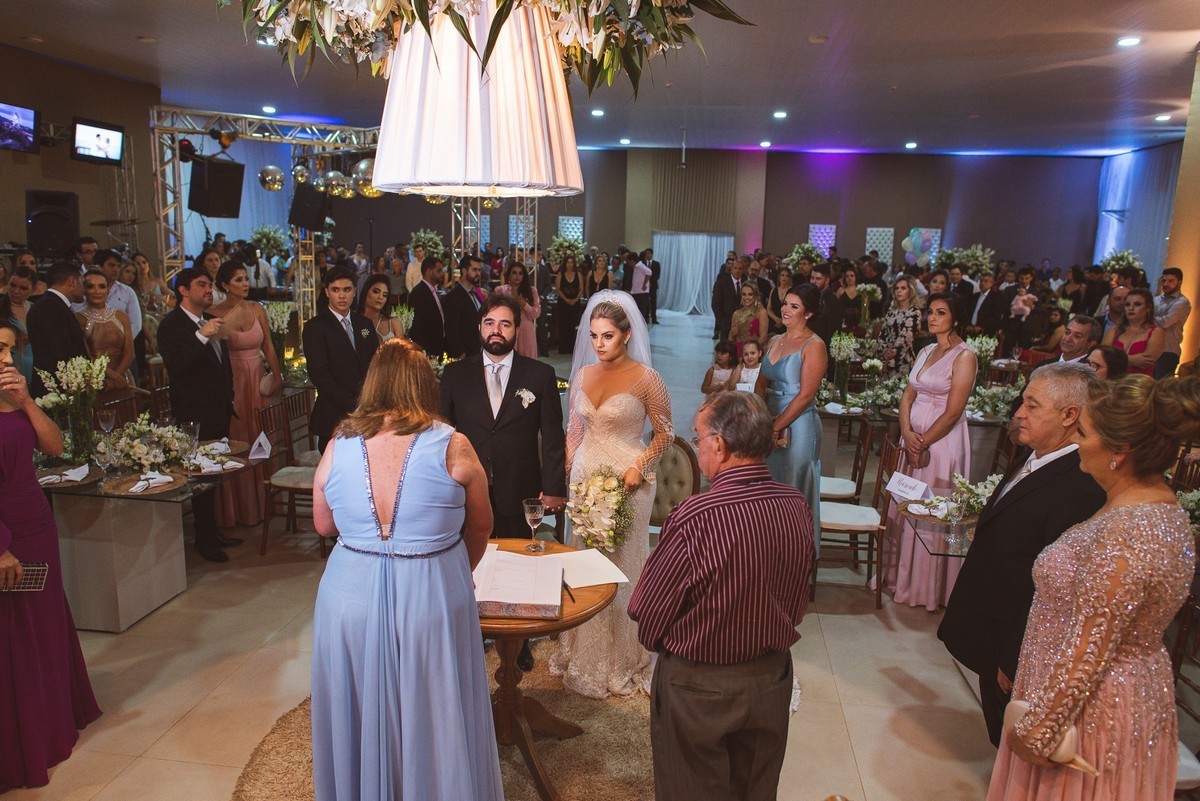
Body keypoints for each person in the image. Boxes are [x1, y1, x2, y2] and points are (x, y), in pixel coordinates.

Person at [987, 374, 1200, 801]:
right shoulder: (1141, 506)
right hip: (1081, 696)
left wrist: (1041, 730)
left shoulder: (1131, 531)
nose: (1078, 444)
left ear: (1120, 450)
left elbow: (1091, 649)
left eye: (1084, 433)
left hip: (1092, 710)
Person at [310, 339, 503, 801]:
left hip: (348, 597)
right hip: (429, 593)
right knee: (433, 710)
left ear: (372, 382)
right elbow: (481, 527)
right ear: (426, 385)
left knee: (356, 708)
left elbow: (323, 524)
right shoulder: (453, 445)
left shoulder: (339, 443)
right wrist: (457, 569)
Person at [628, 390, 814, 801]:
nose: (698, 449)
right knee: (755, 791)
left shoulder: (697, 515)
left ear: (720, 444)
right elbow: (801, 595)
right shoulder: (795, 504)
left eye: (698, 439)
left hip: (700, 688)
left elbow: (646, 610)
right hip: (772, 680)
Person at [939, 363, 1105, 746]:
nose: (1018, 413)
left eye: (1032, 405)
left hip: (1016, 643)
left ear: (1069, 416)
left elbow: (1057, 586)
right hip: (992, 625)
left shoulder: (1079, 483)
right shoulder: (1037, 454)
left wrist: (1014, 655)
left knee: (1014, 739)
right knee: (1000, 732)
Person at [550, 291, 673, 698]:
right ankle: (581, 651)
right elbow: (573, 430)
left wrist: (641, 466)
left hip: (628, 481)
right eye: (594, 336)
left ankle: (622, 657)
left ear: (626, 334)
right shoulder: (582, 375)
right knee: (584, 561)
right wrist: (571, 470)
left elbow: (665, 433)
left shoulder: (647, 379)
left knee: (622, 567)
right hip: (585, 481)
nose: (599, 344)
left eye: (607, 336)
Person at [0, 323, 102, 792]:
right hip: (5, 534)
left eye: (9, 348)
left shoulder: (14, 397)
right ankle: (24, 742)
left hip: (37, 524)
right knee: (14, 637)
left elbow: (55, 446)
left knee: (43, 624)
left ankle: (53, 720)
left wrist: (25, 401)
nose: (6, 356)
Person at [886, 292, 977, 610]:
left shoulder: (964, 356)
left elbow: (954, 411)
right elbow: (908, 396)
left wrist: (923, 440)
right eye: (931, 312)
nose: (932, 317)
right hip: (912, 439)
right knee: (909, 505)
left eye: (941, 312)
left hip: (941, 444)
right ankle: (901, 576)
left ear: (956, 317)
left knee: (930, 509)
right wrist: (908, 432)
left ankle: (928, 587)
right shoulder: (925, 350)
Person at [157, 268, 241, 562]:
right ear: (183, 290)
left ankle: (212, 531)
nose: (208, 290)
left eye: (209, 285)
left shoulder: (209, 320)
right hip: (194, 413)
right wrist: (200, 336)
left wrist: (228, 395)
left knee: (215, 475)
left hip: (218, 409)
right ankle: (204, 541)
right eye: (201, 285)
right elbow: (177, 365)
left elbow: (223, 365)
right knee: (201, 477)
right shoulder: (171, 326)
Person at [210, 261, 282, 527]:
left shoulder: (257, 308)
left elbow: (269, 346)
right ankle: (237, 510)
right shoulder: (213, 313)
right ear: (225, 285)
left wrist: (277, 376)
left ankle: (265, 504)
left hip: (258, 380)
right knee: (236, 439)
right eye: (238, 280)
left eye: (245, 278)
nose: (245, 283)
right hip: (231, 382)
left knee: (260, 436)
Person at [761, 283, 827, 550]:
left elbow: (805, 396)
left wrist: (777, 425)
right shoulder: (775, 340)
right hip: (769, 422)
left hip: (799, 427)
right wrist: (762, 418)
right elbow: (761, 382)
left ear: (808, 314)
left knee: (793, 487)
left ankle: (796, 554)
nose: (785, 309)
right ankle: (768, 552)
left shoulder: (814, 345)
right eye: (785, 303)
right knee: (768, 487)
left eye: (794, 306)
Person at [303, 267, 380, 452]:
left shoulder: (364, 324)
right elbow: (319, 376)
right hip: (333, 415)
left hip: (367, 414)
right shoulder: (315, 327)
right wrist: (355, 404)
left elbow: (375, 365)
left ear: (354, 291)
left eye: (347, 290)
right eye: (336, 290)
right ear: (327, 292)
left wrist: (371, 400)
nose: (342, 296)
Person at [27, 262, 87, 398]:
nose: (85, 289)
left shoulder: (53, 305)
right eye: (82, 283)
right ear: (72, 282)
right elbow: (62, 353)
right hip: (54, 392)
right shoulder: (49, 306)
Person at [76, 270, 136, 403]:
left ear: (108, 290)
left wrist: (118, 377)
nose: (97, 291)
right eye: (91, 287)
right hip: (95, 382)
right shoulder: (78, 319)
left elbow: (129, 352)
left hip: (123, 377)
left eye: (102, 286)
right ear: (84, 290)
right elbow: (86, 355)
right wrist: (109, 378)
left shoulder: (121, 316)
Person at [1102, 287, 1164, 377]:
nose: (1131, 308)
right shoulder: (1113, 331)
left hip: (1138, 385)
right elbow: (1102, 357)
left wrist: (1115, 359)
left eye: (1137, 304)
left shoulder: (1156, 332)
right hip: (1112, 381)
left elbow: (1145, 362)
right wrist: (1131, 360)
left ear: (1148, 308)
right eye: (1127, 304)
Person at [493, 262, 540, 360]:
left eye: (520, 273)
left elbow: (536, 314)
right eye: (514, 273)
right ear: (509, 274)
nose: (517, 276)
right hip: (506, 328)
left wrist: (524, 304)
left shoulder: (531, 291)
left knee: (527, 361)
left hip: (526, 329)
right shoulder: (500, 291)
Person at [878, 274, 922, 377]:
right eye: (897, 288)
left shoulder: (914, 311)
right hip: (885, 359)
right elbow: (883, 333)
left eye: (903, 288)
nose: (899, 291)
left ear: (910, 291)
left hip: (903, 361)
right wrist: (884, 351)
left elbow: (906, 338)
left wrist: (890, 355)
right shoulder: (892, 309)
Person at [442, 255, 486, 359]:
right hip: (465, 355)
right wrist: (460, 353)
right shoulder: (454, 297)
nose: (478, 274)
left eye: (479, 270)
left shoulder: (476, 294)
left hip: (479, 351)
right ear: (464, 271)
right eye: (474, 270)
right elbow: (451, 328)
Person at [1153, 266, 1191, 378]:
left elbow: (1165, 323)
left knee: (1161, 387)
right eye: (1164, 281)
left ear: (1179, 282)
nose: (1166, 284)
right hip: (1152, 348)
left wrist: (1148, 317)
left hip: (1168, 350)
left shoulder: (1182, 302)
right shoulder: (1156, 299)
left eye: (1170, 281)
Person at [406, 256, 447, 359]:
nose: (442, 274)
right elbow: (417, 327)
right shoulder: (418, 293)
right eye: (439, 270)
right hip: (428, 350)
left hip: (438, 347)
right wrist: (426, 351)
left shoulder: (433, 291)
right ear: (429, 272)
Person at [1, 266, 36, 384]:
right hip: (8, 365)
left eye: (23, 288)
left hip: (34, 367)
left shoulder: (36, 309)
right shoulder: (1, 308)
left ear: (33, 289)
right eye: (12, 285)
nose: (16, 291)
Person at [357, 274, 406, 345]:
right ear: (366, 291)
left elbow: (401, 354)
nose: (380, 297)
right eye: (376, 291)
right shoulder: (352, 322)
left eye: (385, 295)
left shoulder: (394, 323)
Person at [728, 282, 769, 357]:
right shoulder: (736, 314)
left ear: (756, 296)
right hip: (738, 354)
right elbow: (731, 339)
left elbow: (763, 338)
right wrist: (732, 333)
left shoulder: (761, 312)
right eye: (744, 294)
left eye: (750, 294)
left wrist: (748, 353)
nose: (746, 297)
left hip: (753, 356)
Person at [711, 256, 746, 343]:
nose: (737, 271)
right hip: (726, 324)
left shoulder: (746, 283)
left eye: (740, 269)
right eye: (735, 268)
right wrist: (722, 323)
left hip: (743, 324)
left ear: (743, 270)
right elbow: (715, 304)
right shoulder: (721, 283)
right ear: (731, 269)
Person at [556, 254, 584, 353]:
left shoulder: (578, 274)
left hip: (575, 302)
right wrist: (566, 300)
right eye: (568, 262)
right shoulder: (560, 274)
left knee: (573, 324)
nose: (570, 264)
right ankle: (563, 348)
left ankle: (572, 348)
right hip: (563, 302)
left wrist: (575, 299)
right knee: (563, 324)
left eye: (572, 262)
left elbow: (581, 289)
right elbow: (558, 289)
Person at [627, 252, 653, 322]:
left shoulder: (640, 266)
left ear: (632, 260)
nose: (628, 264)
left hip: (641, 293)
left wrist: (644, 284)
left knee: (641, 312)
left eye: (629, 261)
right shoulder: (636, 267)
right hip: (636, 292)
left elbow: (649, 272)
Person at [766, 266, 792, 335]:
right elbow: (768, 309)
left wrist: (783, 321)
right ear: (779, 277)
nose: (784, 277)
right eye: (782, 275)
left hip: (787, 325)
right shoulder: (773, 290)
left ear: (789, 278)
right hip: (774, 323)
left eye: (787, 276)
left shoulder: (793, 291)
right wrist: (776, 319)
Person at [643, 248, 661, 324]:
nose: (648, 255)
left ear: (652, 254)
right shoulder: (643, 263)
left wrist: (651, 282)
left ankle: (654, 318)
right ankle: (646, 318)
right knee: (646, 302)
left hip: (653, 286)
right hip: (644, 286)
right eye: (646, 253)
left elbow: (657, 275)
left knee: (653, 302)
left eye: (649, 253)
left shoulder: (656, 264)